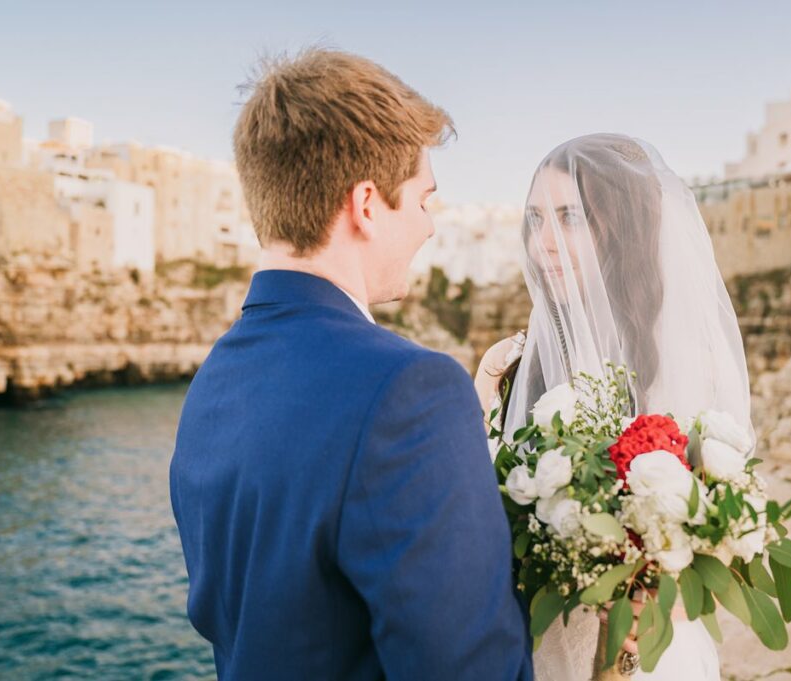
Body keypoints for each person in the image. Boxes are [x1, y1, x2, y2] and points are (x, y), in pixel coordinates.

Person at [171, 48, 532, 681]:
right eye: (424, 200)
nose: (429, 228)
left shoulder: (212, 379)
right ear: (366, 204)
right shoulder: (410, 389)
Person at [476, 133, 753, 681]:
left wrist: (646, 605)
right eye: (535, 220)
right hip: (534, 650)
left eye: (570, 218)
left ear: (622, 228)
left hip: (647, 654)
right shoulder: (505, 364)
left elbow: (720, 532)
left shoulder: (688, 360)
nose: (544, 243)